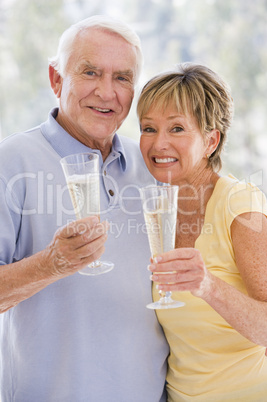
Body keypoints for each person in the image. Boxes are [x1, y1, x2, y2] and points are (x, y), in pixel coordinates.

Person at [0, 15, 169, 401]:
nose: (107, 93)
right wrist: (51, 263)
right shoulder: (11, 161)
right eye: (91, 72)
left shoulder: (152, 166)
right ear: (56, 79)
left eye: (122, 78)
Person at [137, 62, 267, 401]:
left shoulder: (240, 204)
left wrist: (207, 285)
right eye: (148, 128)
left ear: (211, 140)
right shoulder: (159, 206)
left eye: (177, 129)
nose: (158, 143)